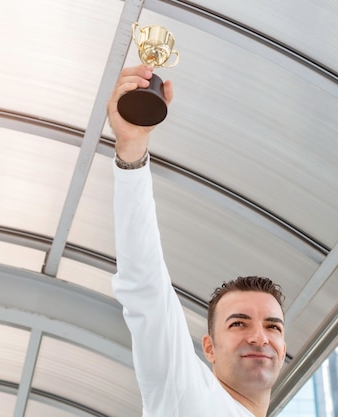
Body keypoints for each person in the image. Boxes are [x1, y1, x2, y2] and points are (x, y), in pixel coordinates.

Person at [108, 64, 287, 417]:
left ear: (284, 347)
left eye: (272, 327)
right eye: (238, 323)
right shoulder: (187, 394)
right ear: (209, 348)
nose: (259, 337)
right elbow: (146, 289)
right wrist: (132, 150)